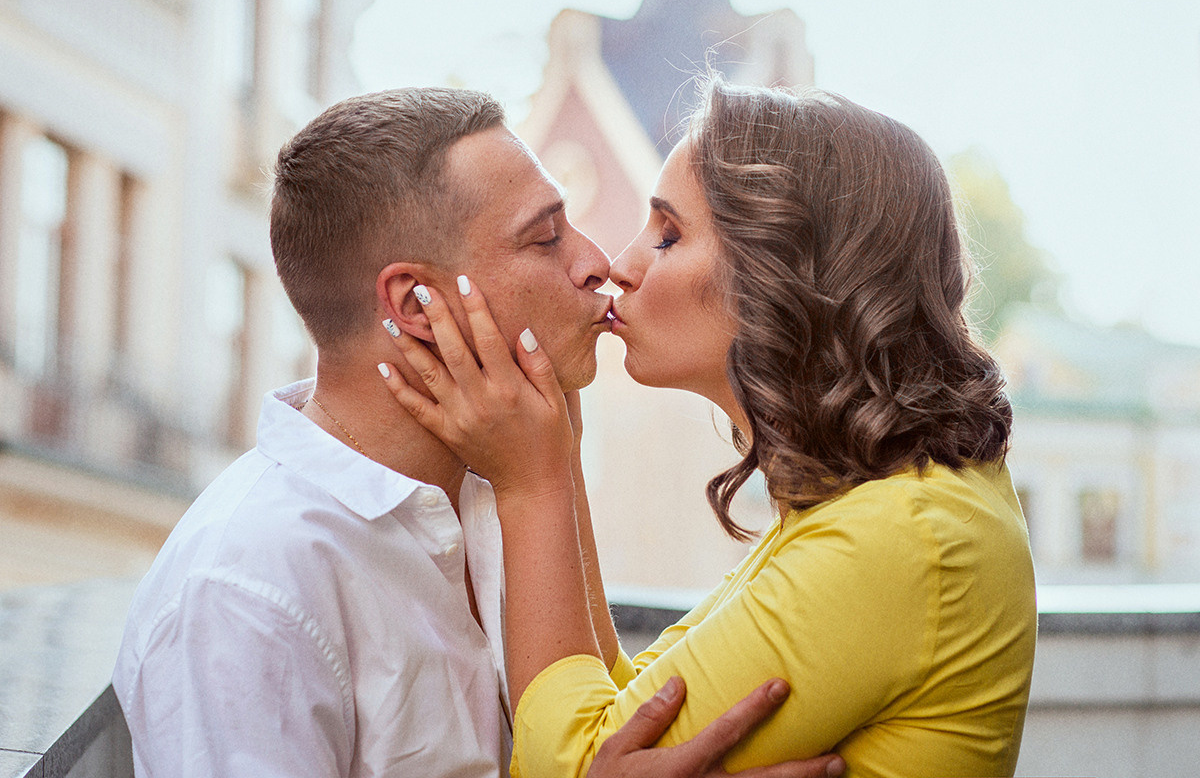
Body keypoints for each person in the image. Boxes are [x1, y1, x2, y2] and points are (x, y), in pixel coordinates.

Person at [111, 87, 845, 778]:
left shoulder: (502, 487)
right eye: (546, 237)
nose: (598, 264)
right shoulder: (248, 587)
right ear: (417, 304)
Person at [378, 78, 1039, 777]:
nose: (618, 266)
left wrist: (531, 485)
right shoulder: (878, 508)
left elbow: (568, 763)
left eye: (667, 234)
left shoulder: (903, 538)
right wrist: (561, 452)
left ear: (780, 274)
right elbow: (634, 710)